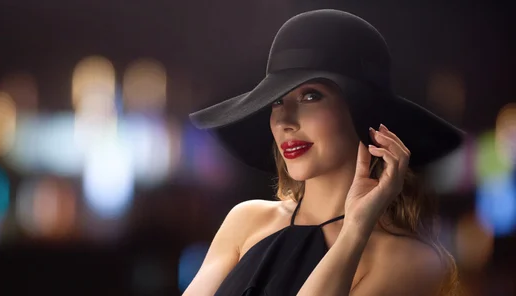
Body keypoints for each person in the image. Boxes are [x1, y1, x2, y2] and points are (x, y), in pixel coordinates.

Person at [185, 9, 464, 296]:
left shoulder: (412, 261)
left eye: (310, 96)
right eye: (277, 101)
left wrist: (355, 230)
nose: (284, 121)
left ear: (363, 113)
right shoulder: (245, 220)